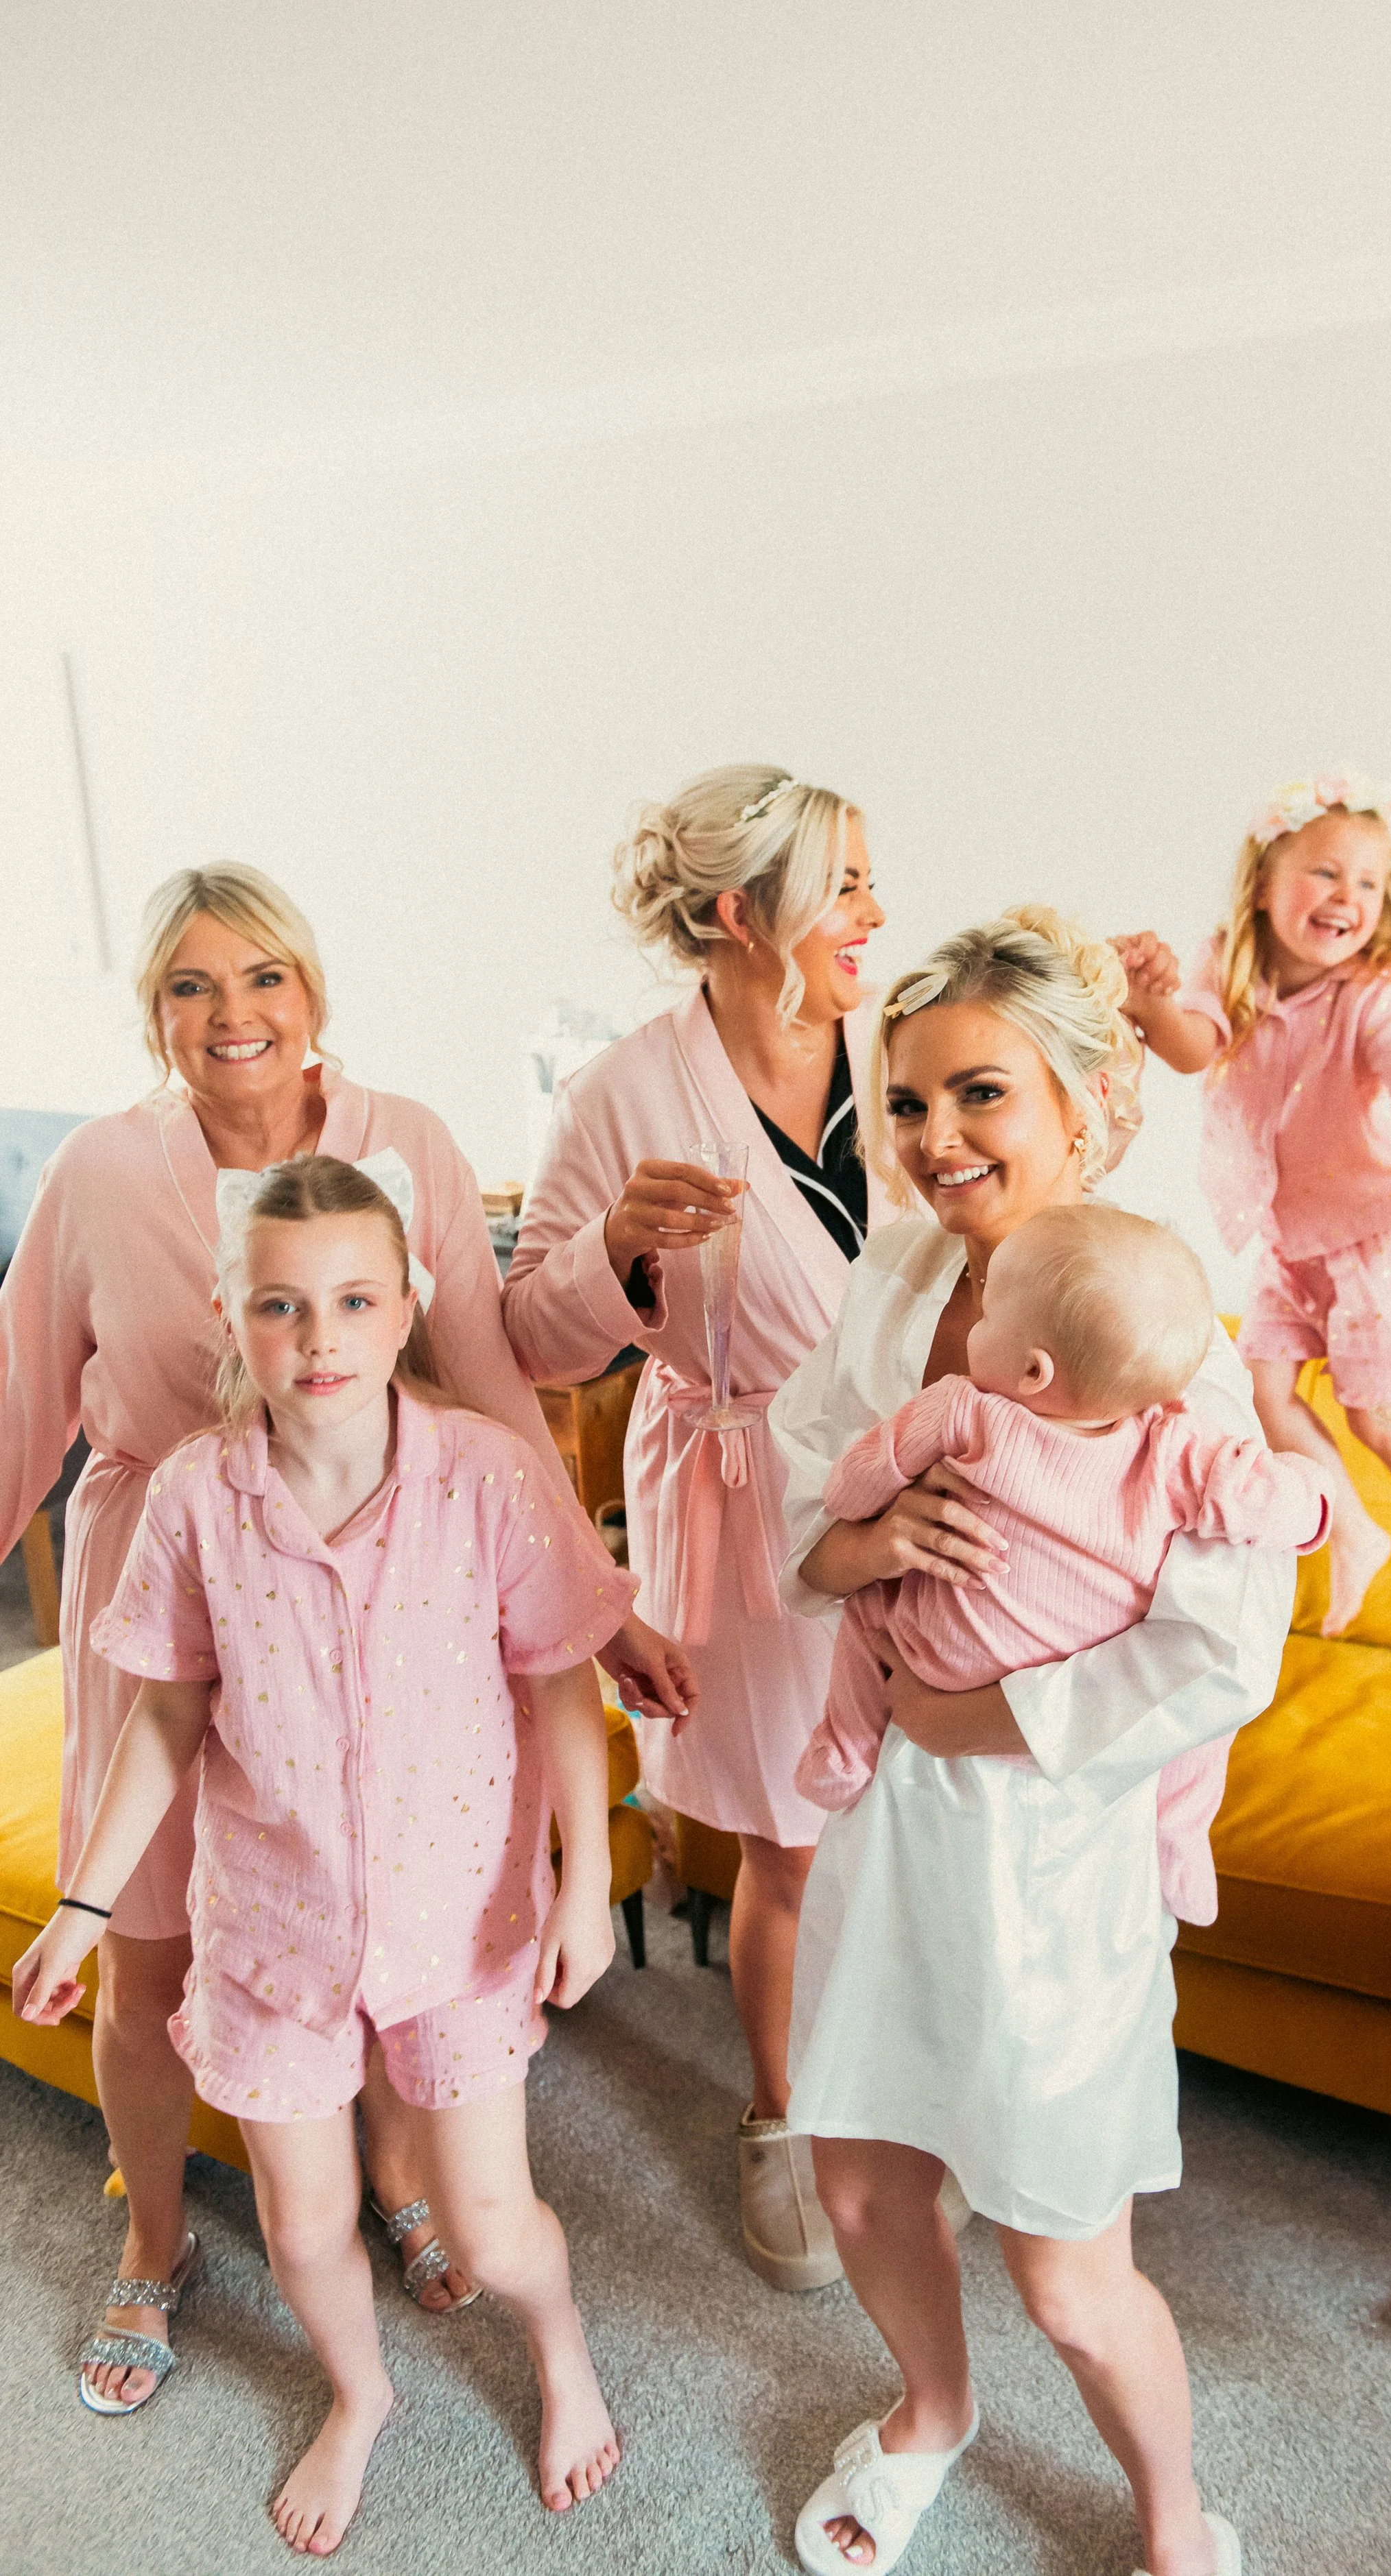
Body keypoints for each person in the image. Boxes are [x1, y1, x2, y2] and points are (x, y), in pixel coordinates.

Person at [0, 865, 684, 2410]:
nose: (229, 1014)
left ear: (313, 995)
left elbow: (496, 1389)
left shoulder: (411, 1143)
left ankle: (401, 2173)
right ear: (153, 1013)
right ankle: (153, 2242)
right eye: (189, 985)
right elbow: (19, 1395)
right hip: (175, 1566)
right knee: (159, 1929)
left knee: (368, 1888)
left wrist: (601, 1593)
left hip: (394, 1585)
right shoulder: (102, 1174)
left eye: (261, 980)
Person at [770, 909, 1294, 2576]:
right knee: (861, 2180)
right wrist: (855, 1554)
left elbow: (1224, 1645)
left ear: (1088, 1098)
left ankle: (1171, 2515)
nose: (934, 1140)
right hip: (892, 1823)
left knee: (1068, 2267)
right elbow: (806, 1504)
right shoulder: (898, 1286)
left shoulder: (1161, 1339)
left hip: (1056, 1846)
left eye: (979, 1093)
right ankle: (930, 2409)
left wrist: (971, 1708)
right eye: (905, 1104)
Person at [503, 766, 888, 2290]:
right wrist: (611, 1252)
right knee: (794, 1840)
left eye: (870, 878)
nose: (873, 911)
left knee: (918, 1821)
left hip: (930, 1486)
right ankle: (782, 2120)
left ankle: (908, 2101)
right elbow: (529, 1337)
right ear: (742, 912)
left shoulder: (906, 1040)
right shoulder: (621, 1096)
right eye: (843, 884)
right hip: (749, 1502)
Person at [1117, 767, 1391, 1661]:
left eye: (1369, 883)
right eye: (1327, 873)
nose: (1349, 897)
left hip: (1376, 1239)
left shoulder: (1373, 1000)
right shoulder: (1231, 963)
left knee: (1377, 1412)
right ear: (1264, 884)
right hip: (1286, 1238)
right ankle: (1351, 1529)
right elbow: (1192, 1049)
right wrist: (1148, 1006)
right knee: (1264, 1397)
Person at [797, 1201, 1330, 1814]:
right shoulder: (1175, 1450)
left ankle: (844, 1747)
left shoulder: (963, 1409)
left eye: (988, 1313)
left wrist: (854, 1504)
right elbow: (1263, 1497)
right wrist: (1314, 1498)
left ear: (1032, 1369)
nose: (977, 1323)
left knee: (869, 1609)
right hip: (1044, 1714)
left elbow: (862, 1474)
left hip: (933, 1659)